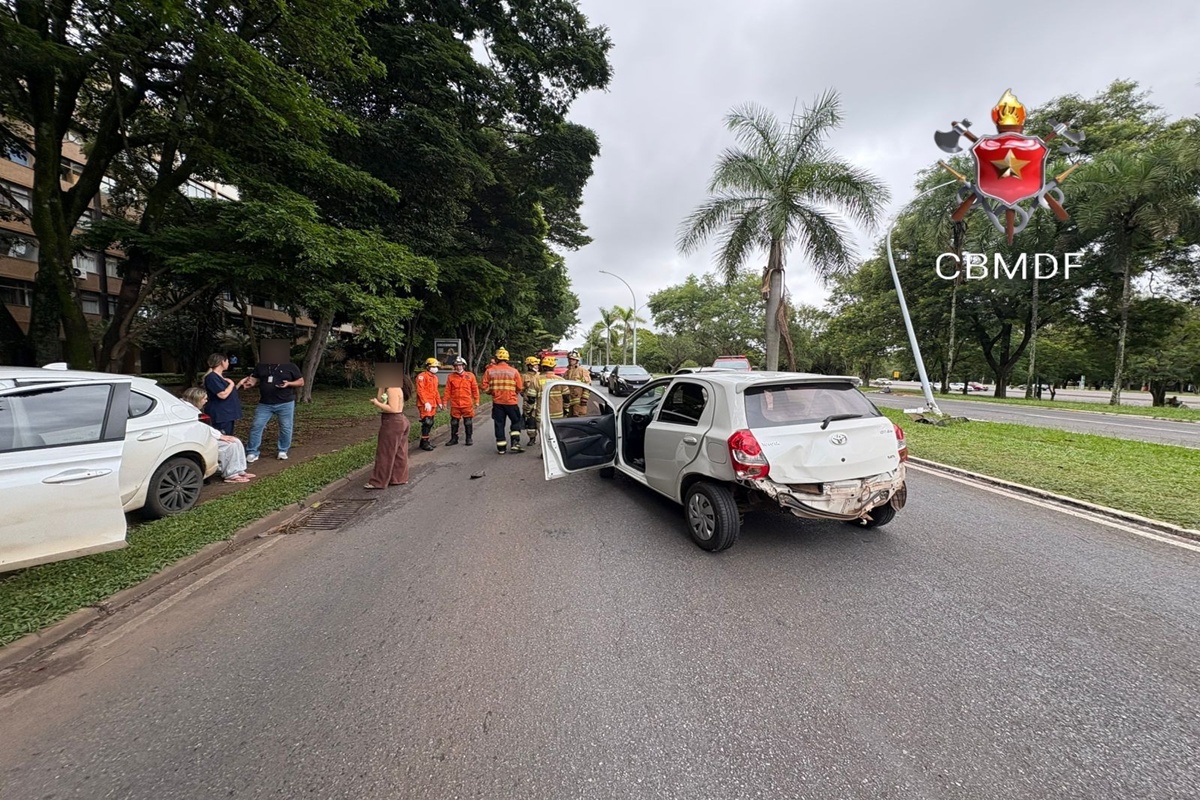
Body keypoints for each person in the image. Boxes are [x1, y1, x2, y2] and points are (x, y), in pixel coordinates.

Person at [237, 353, 303, 462]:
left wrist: (289, 383)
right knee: (256, 425)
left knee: (286, 427)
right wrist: (249, 384)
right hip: (265, 403)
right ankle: (252, 452)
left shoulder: (290, 366)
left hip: (285, 403)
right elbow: (254, 379)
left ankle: (283, 450)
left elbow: (301, 382)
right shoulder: (261, 366)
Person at [181, 388, 255, 483]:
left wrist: (220, 436)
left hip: (203, 436)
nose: (206, 401)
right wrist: (220, 437)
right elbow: (203, 428)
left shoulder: (192, 409)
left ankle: (239, 470)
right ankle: (230, 474)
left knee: (236, 441)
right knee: (230, 445)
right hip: (196, 439)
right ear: (197, 399)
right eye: (204, 399)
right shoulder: (190, 411)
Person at [365, 375, 413, 489]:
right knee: (399, 452)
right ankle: (399, 478)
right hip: (400, 420)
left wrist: (377, 404)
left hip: (392, 421)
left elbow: (393, 408)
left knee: (385, 452)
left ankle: (378, 481)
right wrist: (381, 387)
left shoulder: (393, 389)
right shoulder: (392, 388)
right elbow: (382, 399)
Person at [481, 347, 524, 454]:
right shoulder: (514, 371)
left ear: (496, 358)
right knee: (516, 421)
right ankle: (515, 443)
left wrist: (491, 392)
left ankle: (501, 448)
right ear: (507, 358)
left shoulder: (489, 371)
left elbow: (484, 386)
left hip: (498, 403)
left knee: (499, 424)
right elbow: (519, 387)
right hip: (511, 402)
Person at [202, 353, 242, 435]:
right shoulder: (212, 377)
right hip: (221, 415)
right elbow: (222, 395)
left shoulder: (220, 377)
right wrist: (231, 384)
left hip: (227, 414)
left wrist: (240, 383)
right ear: (222, 362)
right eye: (227, 361)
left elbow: (229, 392)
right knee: (223, 438)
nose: (228, 363)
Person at [445, 357, 481, 446]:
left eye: (460, 365)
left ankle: (469, 438)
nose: (458, 367)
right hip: (455, 404)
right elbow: (447, 390)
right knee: (454, 422)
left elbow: (475, 389)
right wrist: (444, 402)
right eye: (456, 365)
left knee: (468, 422)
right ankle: (454, 438)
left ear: (464, 366)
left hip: (467, 403)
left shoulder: (470, 376)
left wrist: (477, 400)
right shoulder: (451, 377)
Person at [415, 357, 443, 451]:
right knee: (427, 422)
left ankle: (424, 441)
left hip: (433, 404)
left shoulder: (435, 378)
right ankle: (425, 443)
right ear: (428, 367)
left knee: (430, 423)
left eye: (436, 366)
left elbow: (436, 391)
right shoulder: (422, 376)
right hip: (425, 404)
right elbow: (420, 390)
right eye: (433, 366)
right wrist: (425, 402)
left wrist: (439, 402)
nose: (436, 368)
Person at [533, 355, 571, 422]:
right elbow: (566, 397)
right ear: (554, 367)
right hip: (558, 415)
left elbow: (531, 398)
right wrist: (566, 409)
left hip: (542, 414)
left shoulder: (536, 379)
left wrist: (528, 411)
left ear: (542, 367)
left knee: (543, 432)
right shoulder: (561, 380)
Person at [564, 350, 591, 417]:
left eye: (573, 359)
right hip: (569, 402)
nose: (571, 361)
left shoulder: (582, 371)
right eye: (569, 359)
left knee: (579, 420)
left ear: (577, 360)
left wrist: (584, 399)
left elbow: (588, 385)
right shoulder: (566, 373)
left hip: (579, 402)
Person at [521, 356, 541, 446]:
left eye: (537, 364)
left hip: (540, 402)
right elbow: (521, 390)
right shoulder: (524, 376)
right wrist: (526, 396)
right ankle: (532, 438)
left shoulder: (540, 375)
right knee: (530, 422)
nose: (536, 366)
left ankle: (543, 440)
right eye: (534, 364)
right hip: (528, 402)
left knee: (541, 422)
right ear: (529, 366)